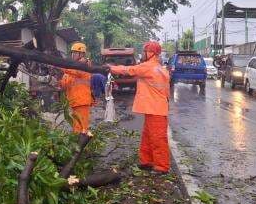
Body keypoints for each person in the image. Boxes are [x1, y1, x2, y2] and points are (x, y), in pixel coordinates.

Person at [108, 41, 171, 174]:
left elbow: (129, 70)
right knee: (148, 136)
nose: (143, 54)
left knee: (157, 138)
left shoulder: (148, 67)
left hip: (156, 109)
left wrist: (111, 68)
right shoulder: (161, 68)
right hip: (156, 108)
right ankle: (146, 161)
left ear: (151, 53)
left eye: (145, 51)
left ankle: (161, 166)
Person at [58, 42, 94, 134]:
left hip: (82, 101)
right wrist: (54, 82)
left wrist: (57, 64)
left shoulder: (84, 65)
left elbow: (75, 71)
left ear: (82, 54)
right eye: (72, 53)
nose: (73, 55)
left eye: (75, 53)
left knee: (81, 128)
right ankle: (78, 146)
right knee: (77, 127)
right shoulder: (71, 68)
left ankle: (82, 146)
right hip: (74, 102)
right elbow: (64, 84)